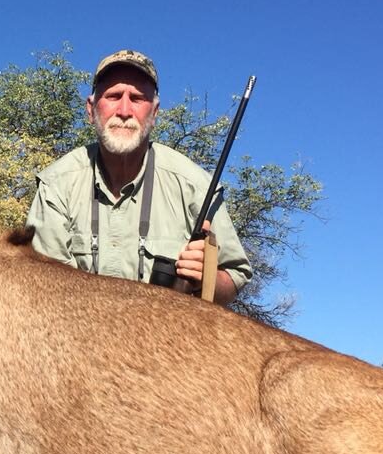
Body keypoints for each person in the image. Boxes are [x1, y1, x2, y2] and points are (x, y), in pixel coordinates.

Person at [26, 49, 252, 304]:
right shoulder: (56, 185)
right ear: (90, 109)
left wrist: (206, 279)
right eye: (112, 96)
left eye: (137, 98)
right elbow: (43, 289)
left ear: (154, 113)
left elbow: (235, 275)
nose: (124, 110)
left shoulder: (197, 187)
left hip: (168, 339)